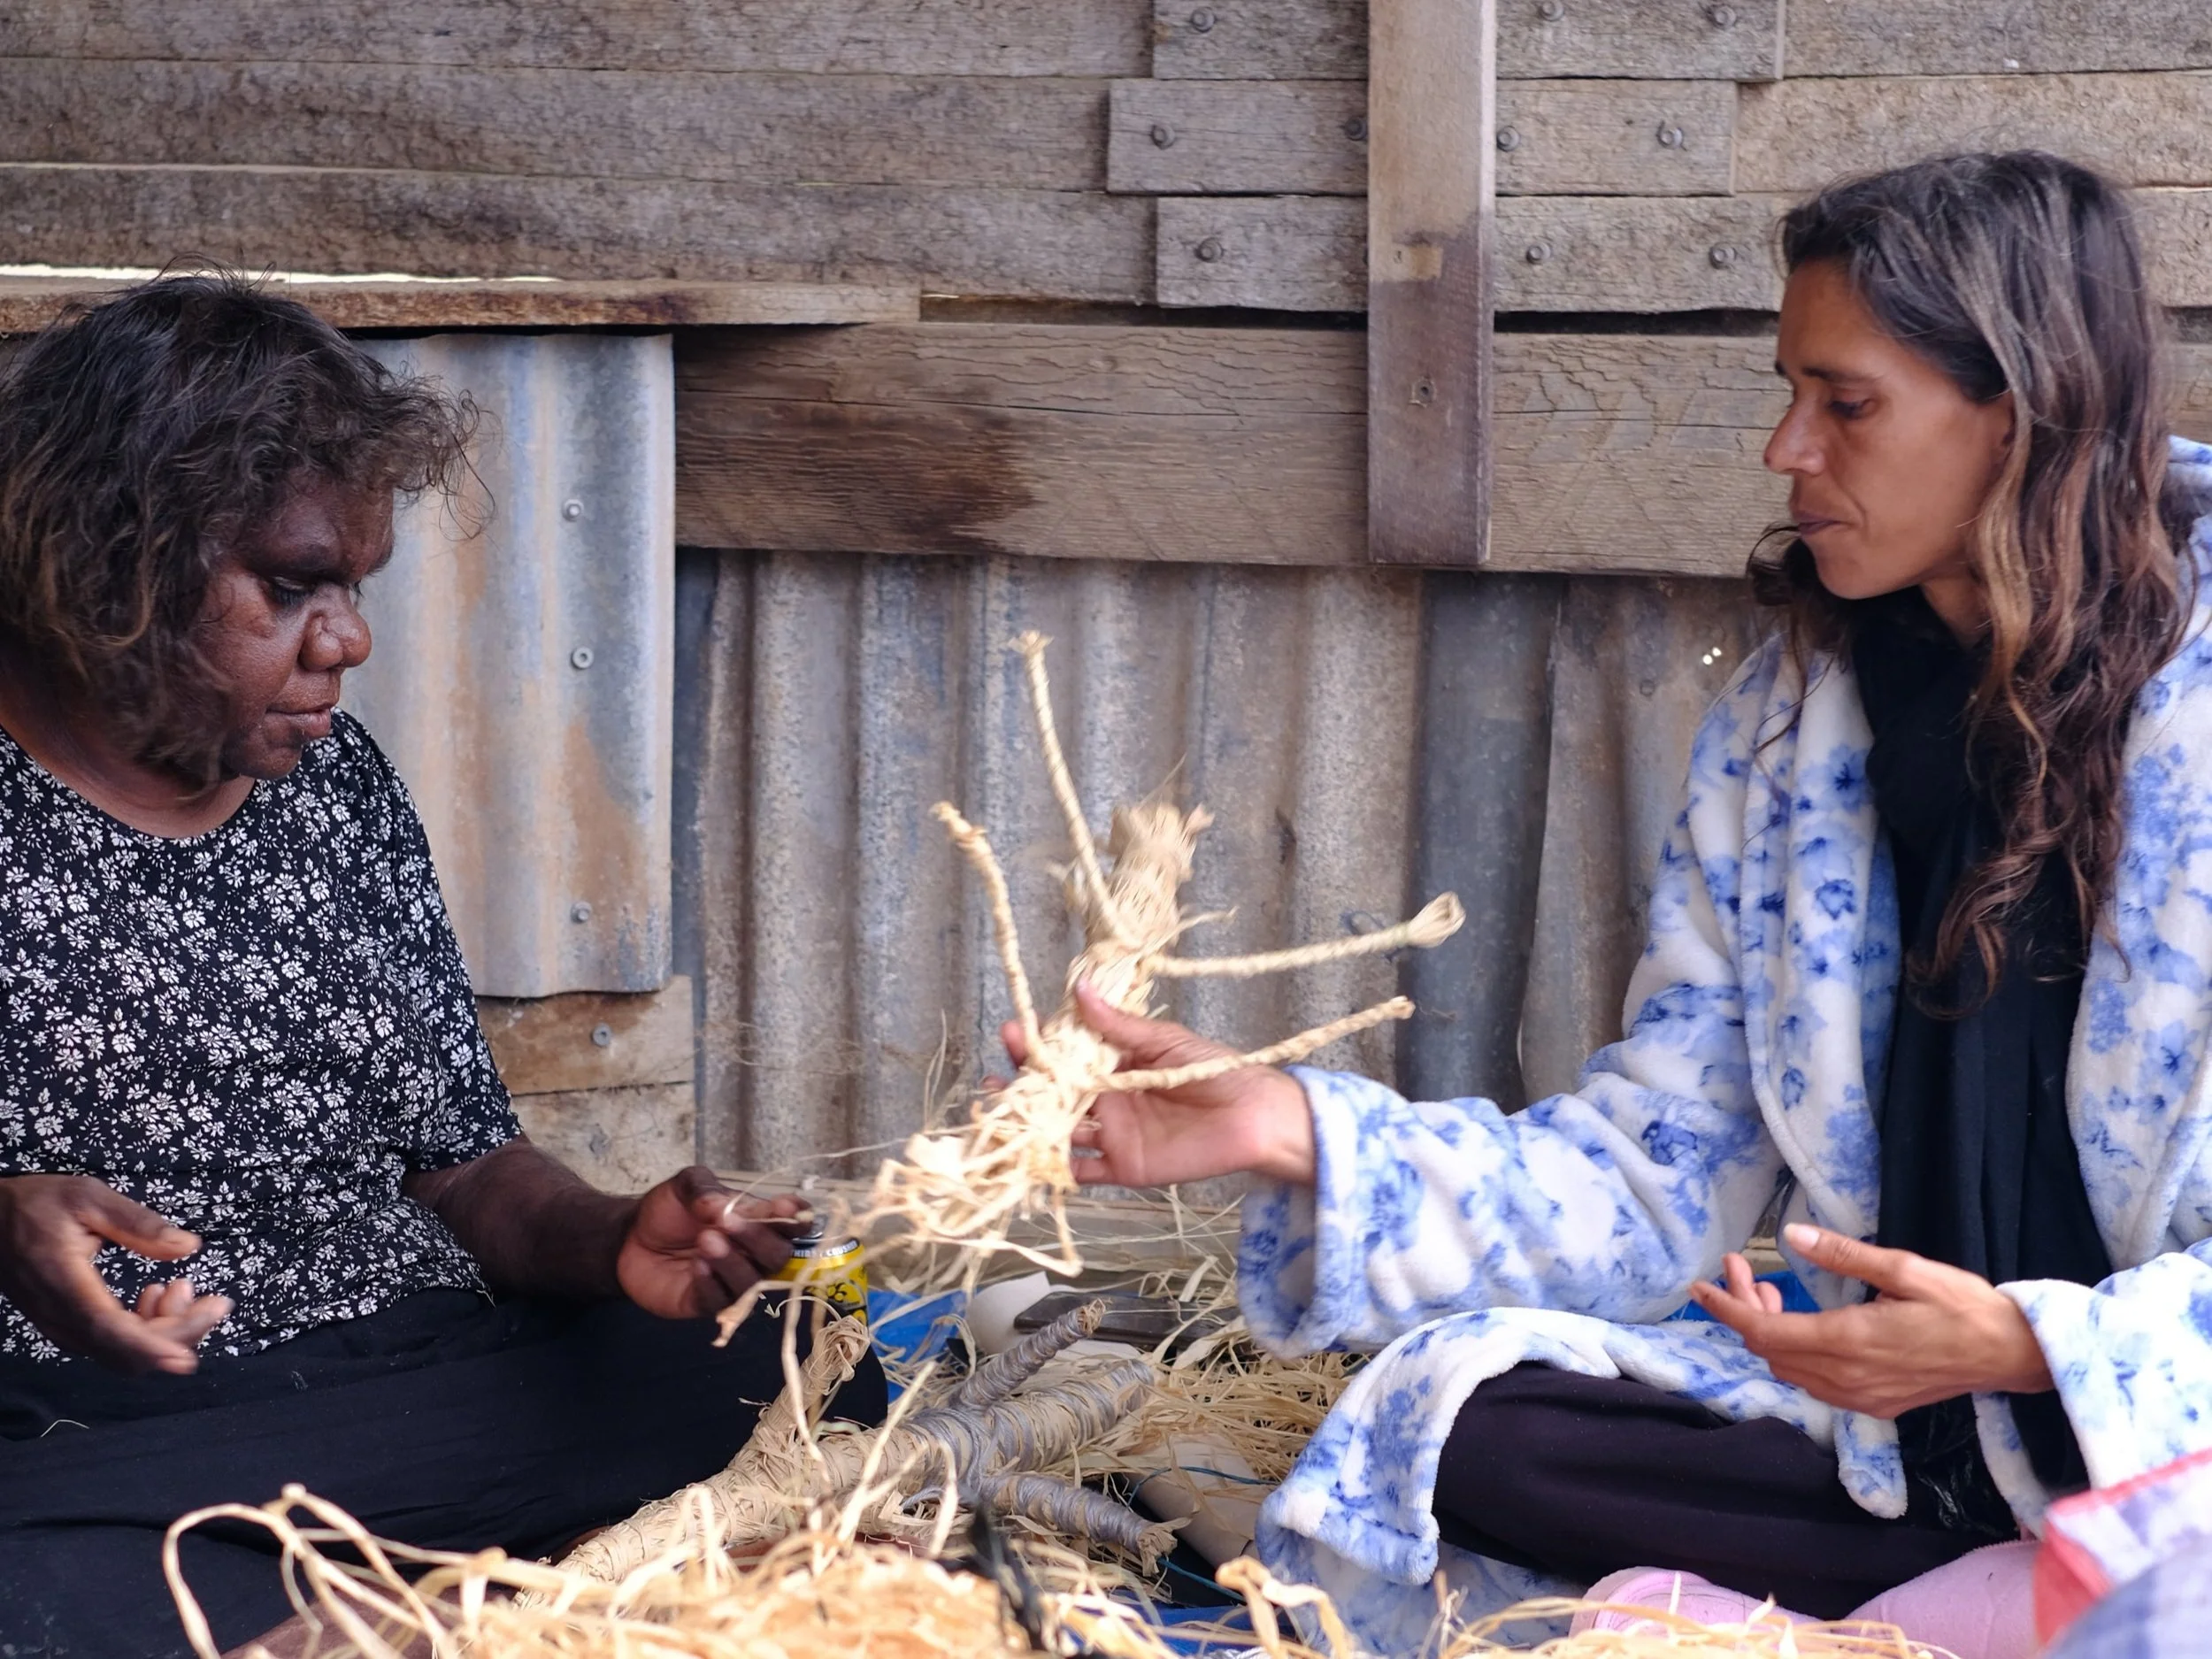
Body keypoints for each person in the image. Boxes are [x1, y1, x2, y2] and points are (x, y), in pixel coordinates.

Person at [1029, 152, 2212, 1648]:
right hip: (1905, 1454)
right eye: (1791, 390)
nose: (1790, 447)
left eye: (1847, 403)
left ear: (2025, 411)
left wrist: (2042, 1349)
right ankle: (1949, 1610)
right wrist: (1310, 1137)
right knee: (1471, 1423)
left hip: (2171, 1449)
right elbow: (1660, 1167)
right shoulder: (1804, 716)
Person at [0, 273, 885, 1658]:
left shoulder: (331, 780)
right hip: (117, 1429)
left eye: (351, 587)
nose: (347, 639)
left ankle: (341, 1594)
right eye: (291, 587)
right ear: (110, 561)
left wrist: (616, 1243)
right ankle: (473, 1580)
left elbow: (465, 1165)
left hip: (410, 1371)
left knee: (797, 1359)